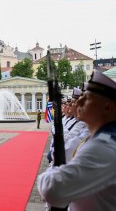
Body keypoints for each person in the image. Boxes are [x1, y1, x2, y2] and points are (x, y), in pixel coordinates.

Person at [38, 70, 116, 210]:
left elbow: (52, 190)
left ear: (107, 107)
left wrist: (52, 169)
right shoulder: (102, 138)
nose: (79, 101)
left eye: (87, 98)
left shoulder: (103, 147)